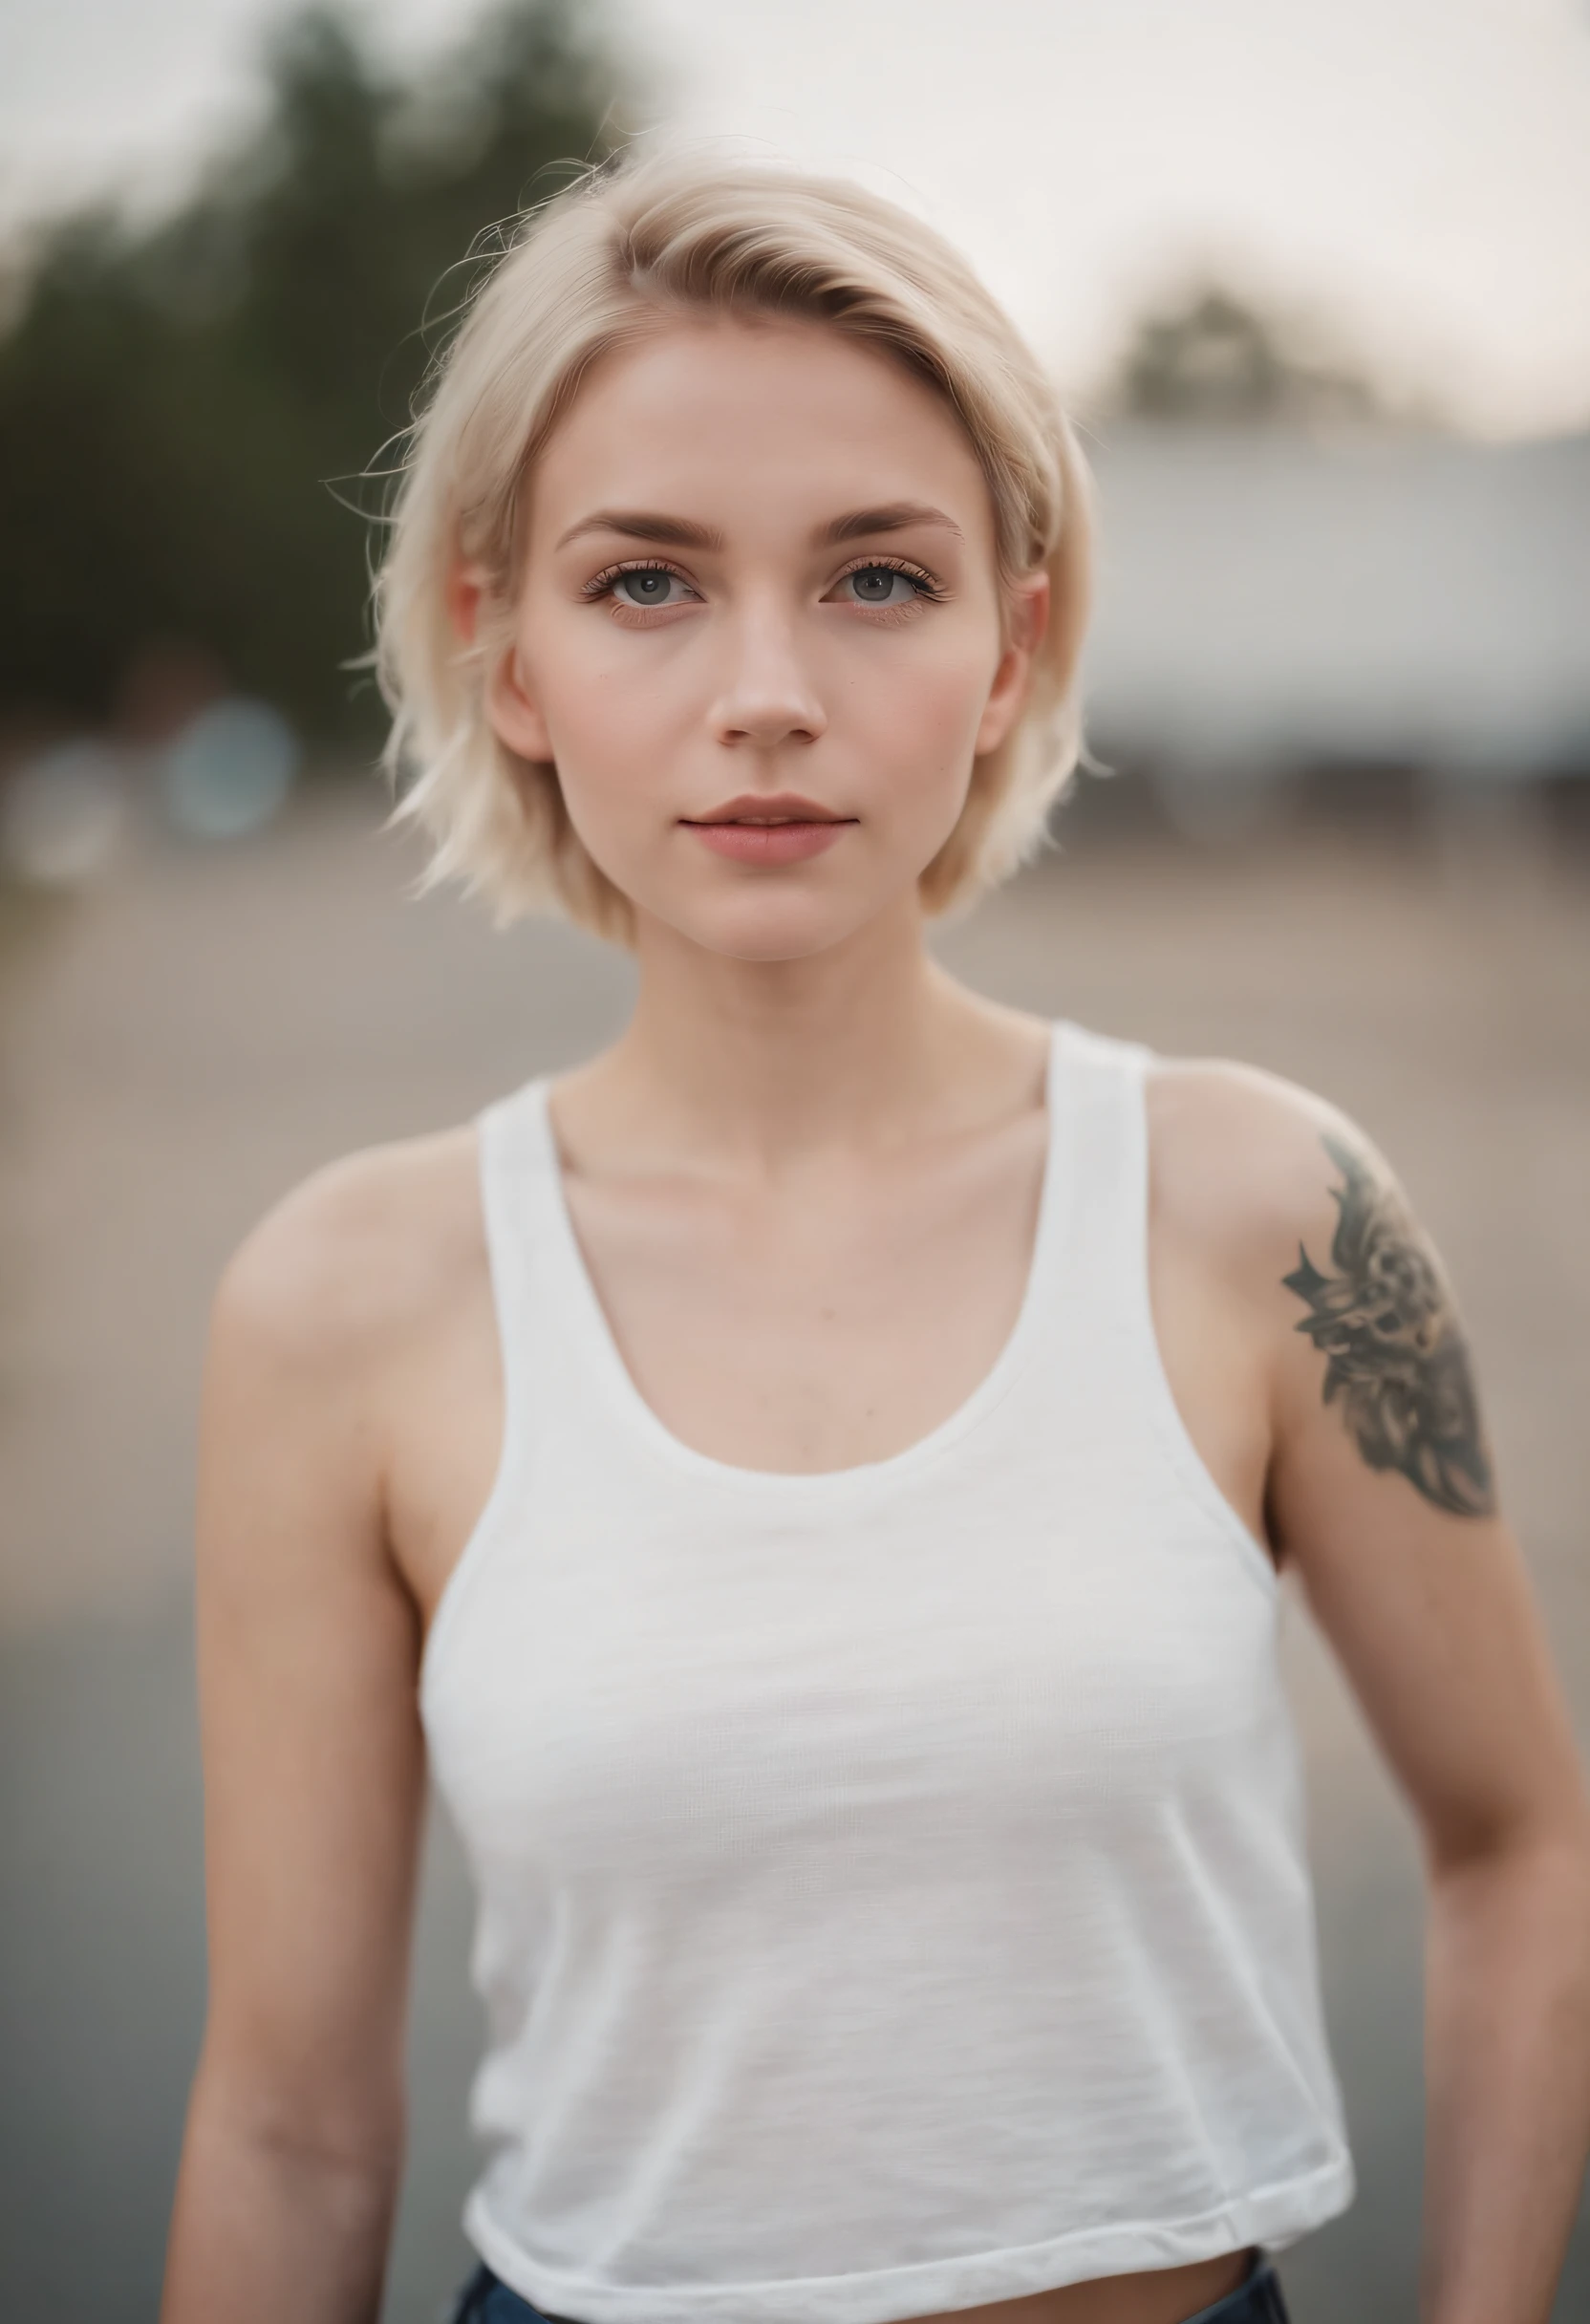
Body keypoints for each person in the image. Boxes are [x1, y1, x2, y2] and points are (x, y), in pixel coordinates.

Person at [160, 156, 1590, 2324]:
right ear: (502, 649)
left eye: (874, 581)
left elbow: (1524, 1843)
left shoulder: (1263, 1210)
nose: (764, 694)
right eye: (645, 584)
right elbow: (286, 2125)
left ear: (1012, 645)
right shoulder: (343, 1306)